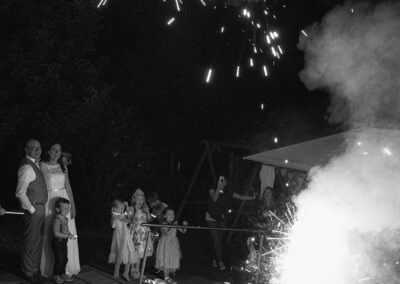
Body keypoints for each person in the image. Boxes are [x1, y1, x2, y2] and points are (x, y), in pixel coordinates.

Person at [40, 143, 80, 277]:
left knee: (67, 232)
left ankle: (66, 268)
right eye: (54, 149)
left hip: (64, 200)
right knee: (51, 233)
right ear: (48, 151)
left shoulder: (63, 167)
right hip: (50, 201)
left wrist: (73, 206)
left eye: (59, 150)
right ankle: (50, 269)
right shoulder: (42, 166)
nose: (57, 152)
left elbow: (68, 187)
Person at [205, 175, 256, 271]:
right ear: (218, 181)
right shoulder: (212, 189)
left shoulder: (228, 191)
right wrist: (219, 187)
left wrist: (252, 198)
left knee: (219, 240)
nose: (223, 181)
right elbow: (214, 199)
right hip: (211, 217)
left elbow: (240, 196)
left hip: (222, 218)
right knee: (216, 240)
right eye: (221, 180)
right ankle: (220, 262)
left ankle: (215, 258)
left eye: (224, 180)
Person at [15, 139, 48, 283]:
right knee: (30, 241)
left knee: (36, 241)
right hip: (33, 209)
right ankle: (28, 272)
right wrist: (32, 209)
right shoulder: (27, 167)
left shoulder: (34, 164)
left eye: (39, 148)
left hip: (40, 207)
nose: (36, 150)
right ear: (26, 149)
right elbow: (20, 193)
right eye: (33, 148)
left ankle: (34, 269)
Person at [155, 207, 187, 284]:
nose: (171, 215)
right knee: (165, 259)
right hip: (165, 244)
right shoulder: (164, 224)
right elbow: (166, 234)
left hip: (173, 244)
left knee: (171, 259)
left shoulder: (174, 223)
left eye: (172, 214)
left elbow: (183, 231)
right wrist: (174, 226)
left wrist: (184, 225)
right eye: (169, 214)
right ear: (165, 216)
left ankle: (168, 277)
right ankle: (166, 277)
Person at [108, 199, 138, 281]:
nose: (122, 210)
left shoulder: (122, 215)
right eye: (120, 208)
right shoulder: (116, 216)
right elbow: (123, 220)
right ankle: (116, 272)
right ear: (114, 209)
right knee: (120, 254)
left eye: (122, 208)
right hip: (120, 237)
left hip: (126, 236)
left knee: (129, 254)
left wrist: (127, 207)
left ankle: (126, 272)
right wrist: (122, 213)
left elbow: (129, 218)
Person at [128, 189, 153, 279]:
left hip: (143, 234)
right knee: (134, 251)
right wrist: (134, 214)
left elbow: (149, 220)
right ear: (134, 199)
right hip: (135, 232)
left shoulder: (145, 209)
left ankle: (138, 270)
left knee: (140, 252)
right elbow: (130, 219)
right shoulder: (132, 208)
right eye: (138, 199)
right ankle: (132, 270)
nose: (140, 201)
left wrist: (147, 212)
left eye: (141, 200)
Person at [52, 198, 75, 284]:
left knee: (65, 259)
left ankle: (63, 274)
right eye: (65, 208)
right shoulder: (57, 219)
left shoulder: (65, 218)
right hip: (57, 242)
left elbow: (65, 229)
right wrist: (67, 235)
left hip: (63, 242)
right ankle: (56, 275)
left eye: (68, 208)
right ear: (57, 209)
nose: (67, 210)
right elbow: (56, 233)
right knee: (59, 259)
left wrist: (70, 234)